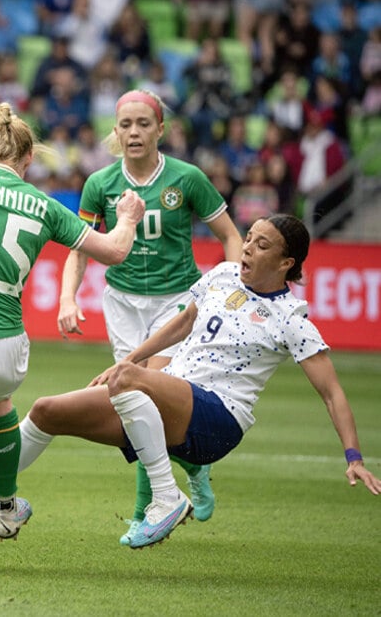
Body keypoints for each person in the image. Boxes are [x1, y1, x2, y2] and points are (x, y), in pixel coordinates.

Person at [0, 89, 244, 547]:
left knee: (138, 393)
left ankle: (146, 511)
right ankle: (188, 467)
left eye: (143, 124)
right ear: (115, 132)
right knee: (135, 405)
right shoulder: (100, 184)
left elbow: (230, 235)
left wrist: (224, 288)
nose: (134, 132)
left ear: (160, 130)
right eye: (125, 124)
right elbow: (80, 248)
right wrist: (67, 299)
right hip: (123, 304)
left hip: (175, 301)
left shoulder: (187, 179)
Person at [29, 214, 380, 547]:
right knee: (47, 410)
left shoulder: (290, 318)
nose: (247, 248)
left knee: (130, 379)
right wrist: (131, 360)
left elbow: (332, 393)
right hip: (175, 396)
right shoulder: (224, 274)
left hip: (220, 417)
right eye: (248, 239)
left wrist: (354, 457)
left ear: (286, 263)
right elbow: (182, 324)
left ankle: (166, 500)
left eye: (262, 245)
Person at [0, 102, 145, 571]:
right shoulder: (46, 206)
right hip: (3, 343)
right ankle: (8, 508)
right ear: (29, 158)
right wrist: (130, 216)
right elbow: (115, 251)